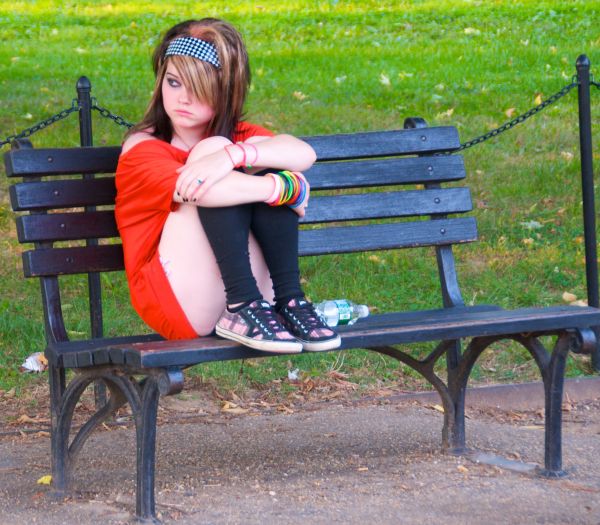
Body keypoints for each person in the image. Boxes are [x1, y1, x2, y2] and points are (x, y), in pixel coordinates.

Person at [115, 17, 341, 354]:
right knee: (215, 155)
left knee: (248, 156)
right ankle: (243, 307)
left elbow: (302, 153)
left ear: (226, 91)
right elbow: (201, 190)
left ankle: (290, 299)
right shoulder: (143, 148)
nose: (183, 99)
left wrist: (236, 155)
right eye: (174, 83)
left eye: (200, 88)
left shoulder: (237, 137)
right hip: (178, 303)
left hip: (256, 299)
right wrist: (284, 189)